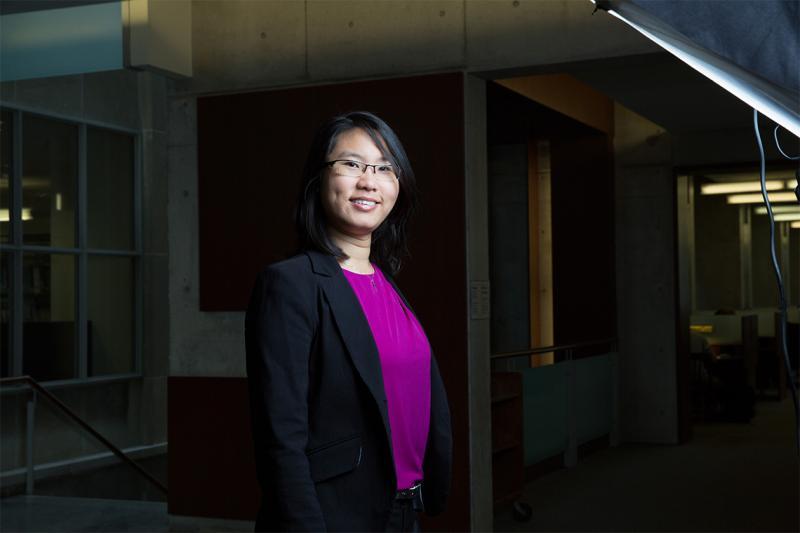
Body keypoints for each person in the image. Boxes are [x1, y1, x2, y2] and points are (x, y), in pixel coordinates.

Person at [245, 111, 452, 532]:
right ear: (318, 179)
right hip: (335, 517)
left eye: (384, 168)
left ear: (399, 185)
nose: (368, 181)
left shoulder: (386, 285)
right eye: (351, 164)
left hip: (403, 513)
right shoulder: (291, 284)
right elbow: (280, 442)